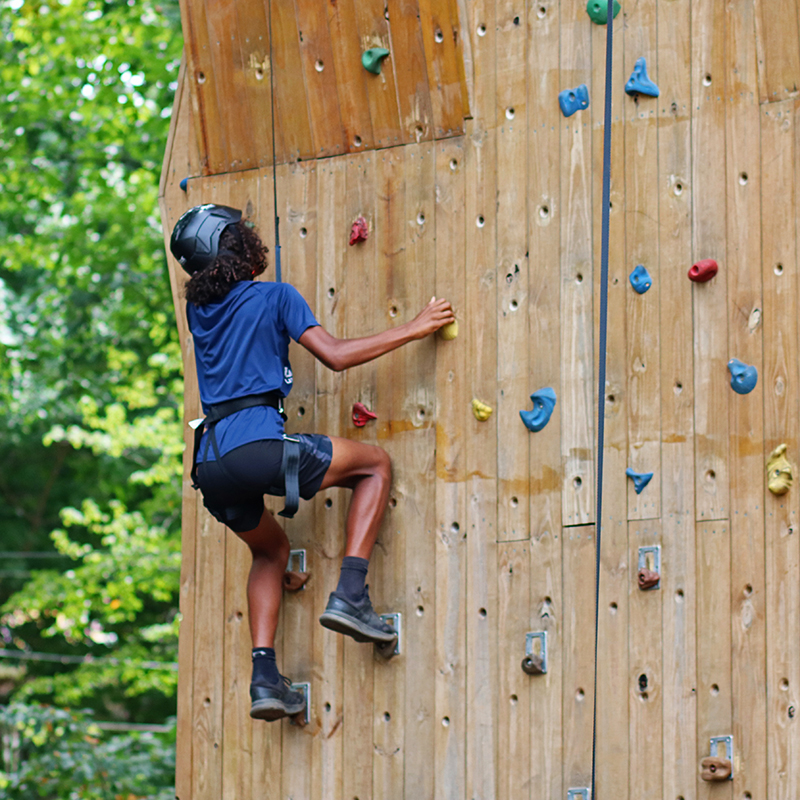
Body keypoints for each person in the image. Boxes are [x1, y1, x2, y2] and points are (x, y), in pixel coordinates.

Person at [170, 204, 454, 722]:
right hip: (254, 448)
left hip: (210, 464)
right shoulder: (275, 296)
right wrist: (415, 328)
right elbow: (335, 355)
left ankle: (265, 679)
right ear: (234, 245)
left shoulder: (198, 313)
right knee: (374, 466)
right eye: (241, 232)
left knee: (270, 552)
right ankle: (351, 593)